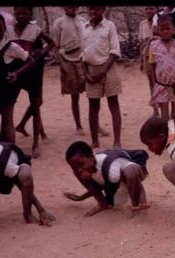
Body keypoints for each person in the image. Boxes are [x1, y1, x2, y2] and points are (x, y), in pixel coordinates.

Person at [7, 6, 55, 158]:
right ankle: (10, 139)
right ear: (14, 13)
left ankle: (35, 143)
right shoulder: (8, 29)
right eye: (18, 13)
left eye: (25, 13)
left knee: (35, 105)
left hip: (32, 72)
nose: (21, 16)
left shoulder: (35, 29)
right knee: (9, 105)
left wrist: (43, 52)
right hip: (14, 70)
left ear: (30, 14)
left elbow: (52, 43)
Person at [0, 13, 35, 144]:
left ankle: (10, 152)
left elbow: (30, 61)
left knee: (7, 124)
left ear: (4, 29)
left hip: (6, 92)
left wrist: (16, 73)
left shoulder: (12, 47)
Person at [64, 141, 150, 217]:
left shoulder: (111, 169)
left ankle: (136, 206)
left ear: (91, 157)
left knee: (131, 172)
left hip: (136, 167)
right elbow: (100, 184)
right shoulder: (88, 167)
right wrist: (80, 198)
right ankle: (103, 203)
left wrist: (140, 199)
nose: (79, 169)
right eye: (74, 167)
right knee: (78, 173)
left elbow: (105, 185)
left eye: (81, 164)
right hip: (114, 179)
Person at [0, 141, 56, 226]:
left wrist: (41, 210)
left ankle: (27, 214)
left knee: (24, 176)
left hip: (12, 161)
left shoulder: (6, 164)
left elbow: (22, 185)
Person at [81, 6, 122, 149]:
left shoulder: (109, 26)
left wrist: (103, 71)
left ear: (103, 9)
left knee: (113, 104)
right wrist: (86, 73)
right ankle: (94, 141)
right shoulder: (84, 27)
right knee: (93, 106)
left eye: (97, 9)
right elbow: (83, 54)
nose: (94, 12)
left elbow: (114, 50)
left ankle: (117, 141)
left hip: (108, 69)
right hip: (90, 70)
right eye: (91, 9)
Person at [52, 6, 87, 136]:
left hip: (84, 60)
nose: (70, 8)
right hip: (68, 60)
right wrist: (62, 64)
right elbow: (55, 45)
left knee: (92, 93)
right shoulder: (59, 23)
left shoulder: (83, 21)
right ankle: (78, 125)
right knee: (74, 95)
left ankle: (96, 124)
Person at [148, 14, 175, 130]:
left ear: (173, 29)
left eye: (168, 29)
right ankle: (166, 139)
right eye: (162, 29)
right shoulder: (154, 45)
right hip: (161, 85)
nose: (165, 31)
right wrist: (155, 83)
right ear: (158, 30)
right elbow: (152, 66)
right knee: (164, 116)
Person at [139, 6, 159, 117]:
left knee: (162, 82)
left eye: (151, 8)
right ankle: (155, 109)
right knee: (152, 83)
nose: (149, 11)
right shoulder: (142, 24)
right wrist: (141, 61)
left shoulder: (161, 21)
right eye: (146, 8)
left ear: (156, 9)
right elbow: (141, 43)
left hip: (160, 57)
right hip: (147, 56)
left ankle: (166, 108)